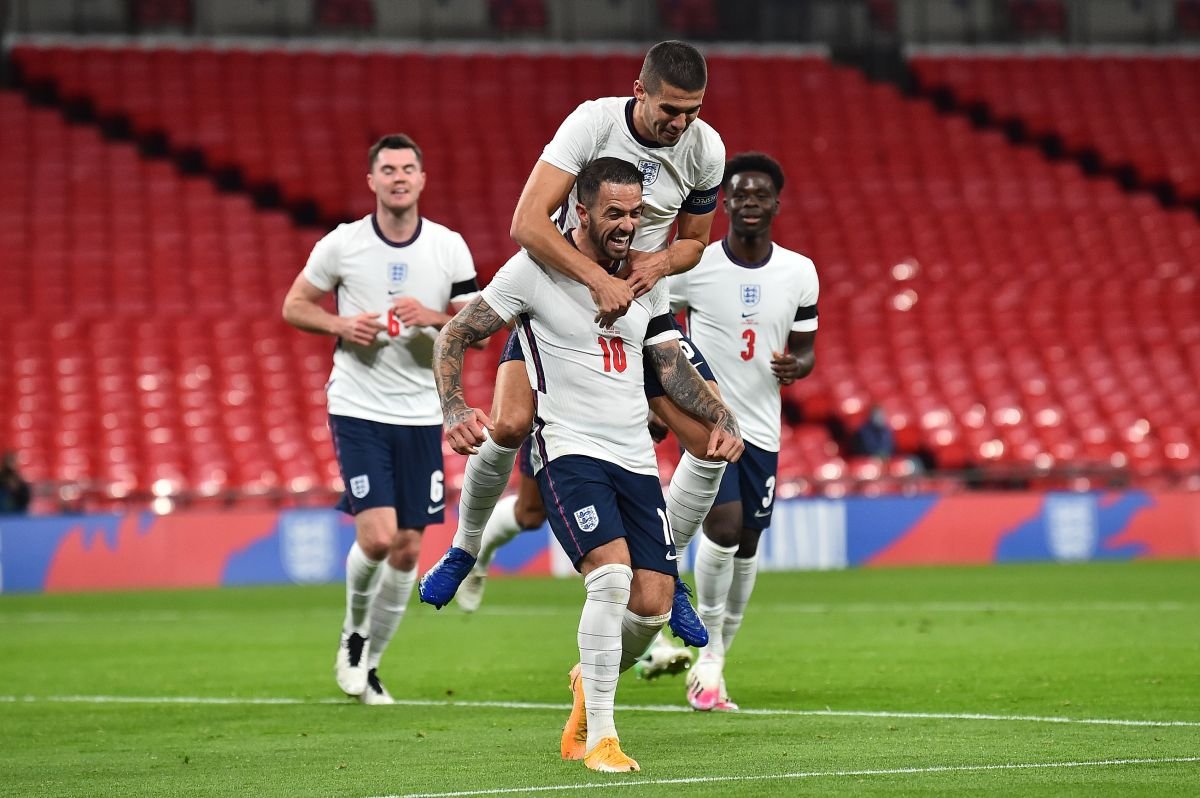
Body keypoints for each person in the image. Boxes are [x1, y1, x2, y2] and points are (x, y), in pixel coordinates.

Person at [426, 158, 743, 772]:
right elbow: (455, 336)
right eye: (614, 213)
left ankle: (587, 684)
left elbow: (671, 367)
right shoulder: (534, 269)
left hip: (632, 453)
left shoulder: (646, 279)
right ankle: (601, 734)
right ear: (580, 211)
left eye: (635, 214)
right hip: (567, 447)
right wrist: (454, 405)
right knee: (611, 577)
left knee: (649, 607)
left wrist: (723, 417)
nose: (627, 226)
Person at [419, 41, 729, 650]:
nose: (682, 123)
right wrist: (596, 279)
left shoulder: (705, 149)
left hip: (643, 303)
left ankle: (670, 568)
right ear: (639, 93)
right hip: (565, 296)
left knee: (712, 436)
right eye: (671, 109)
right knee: (509, 425)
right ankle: (464, 548)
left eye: (693, 110)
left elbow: (695, 241)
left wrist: (656, 263)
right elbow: (528, 222)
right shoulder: (591, 123)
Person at [281, 134, 480, 705]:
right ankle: (352, 633)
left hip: (422, 411)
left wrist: (434, 316)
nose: (398, 177)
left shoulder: (448, 248)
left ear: (422, 179)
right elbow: (294, 306)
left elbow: (477, 329)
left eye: (408, 168)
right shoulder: (341, 246)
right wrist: (341, 326)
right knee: (378, 535)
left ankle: (369, 663)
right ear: (371, 181)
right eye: (387, 169)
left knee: (408, 548)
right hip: (359, 405)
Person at [658, 152, 818, 711]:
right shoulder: (695, 267)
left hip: (765, 430)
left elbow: (806, 347)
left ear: (776, 203)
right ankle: (694, 640)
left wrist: (799, 366)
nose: (749, 202)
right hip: (709, 422)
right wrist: (663, 398)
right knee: (724, 528)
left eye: (760, 195)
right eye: (740, 194)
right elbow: (658, 326)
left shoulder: (799, 272)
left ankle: (714, 660)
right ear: (724, 202)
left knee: (747, 543)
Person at [0, 450, 31, 514]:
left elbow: (25, 498)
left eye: (13, 461)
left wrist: (16, 489)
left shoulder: (19, 480)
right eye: (9, 461)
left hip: (17, 511)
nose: (11, 464)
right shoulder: (2, 478)